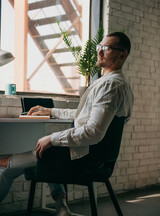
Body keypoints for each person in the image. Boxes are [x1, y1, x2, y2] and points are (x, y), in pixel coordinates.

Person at [0, 32, 134, 216]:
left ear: (122, 55)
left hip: (83, 160)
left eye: (106, 48)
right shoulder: (121, 85)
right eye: (99, 47)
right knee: (47, 151)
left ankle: (60, 206)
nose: (99, 52)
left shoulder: (109, 86)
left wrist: (52, 138)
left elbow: (93, 132)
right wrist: (51, 111)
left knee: (8, 164)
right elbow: (86, 115)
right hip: (98, 159)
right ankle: (62, 207)